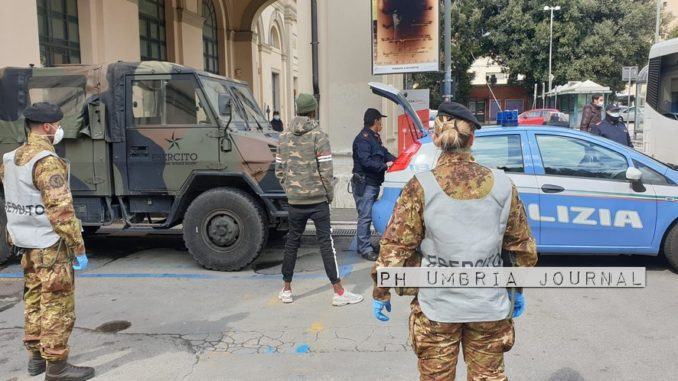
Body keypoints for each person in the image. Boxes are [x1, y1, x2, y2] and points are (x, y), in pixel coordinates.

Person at [371, 101, 538, 380]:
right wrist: (517, 289)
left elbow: (396, 247)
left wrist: (382, 290)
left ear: (436, 139)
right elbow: (520, 248)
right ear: (472, 138)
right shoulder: (502, 184)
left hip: (437, 305)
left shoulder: (421, 185)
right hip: (489, 305)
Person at [0, 102, 94, 380]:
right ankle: (57, 367)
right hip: (50, 244)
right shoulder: (46, 161)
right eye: (58, 124)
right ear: (48, 127)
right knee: (57, 305)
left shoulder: (10, 158)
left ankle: (36, 359)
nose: (59, 129)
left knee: (34, 300)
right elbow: (61, 211)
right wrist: (78, 247)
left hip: (25, 243)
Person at [275, 94, 363, 306]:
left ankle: (286, 289)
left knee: (292, 243)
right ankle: (338, 291)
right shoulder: (319, 136)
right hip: (317, 201)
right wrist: (328, 195)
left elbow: (279, 170)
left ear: (297, 110)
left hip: (295, 202)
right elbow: (326, 170)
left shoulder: (283, 137)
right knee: (326, 244)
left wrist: (290, 190)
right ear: (313, 111)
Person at [351, 108, 396, 261]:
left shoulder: (374, 138)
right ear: (376, 121)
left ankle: (363, 244)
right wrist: (386, 166)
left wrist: (398, 160)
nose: (381, 124)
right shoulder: (363, 139)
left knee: (367, 215)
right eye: (380, 121)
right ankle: (364, 248)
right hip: (365, 183)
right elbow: (366, 161)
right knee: (365, 216)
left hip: (372, 182)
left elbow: (383, 153)